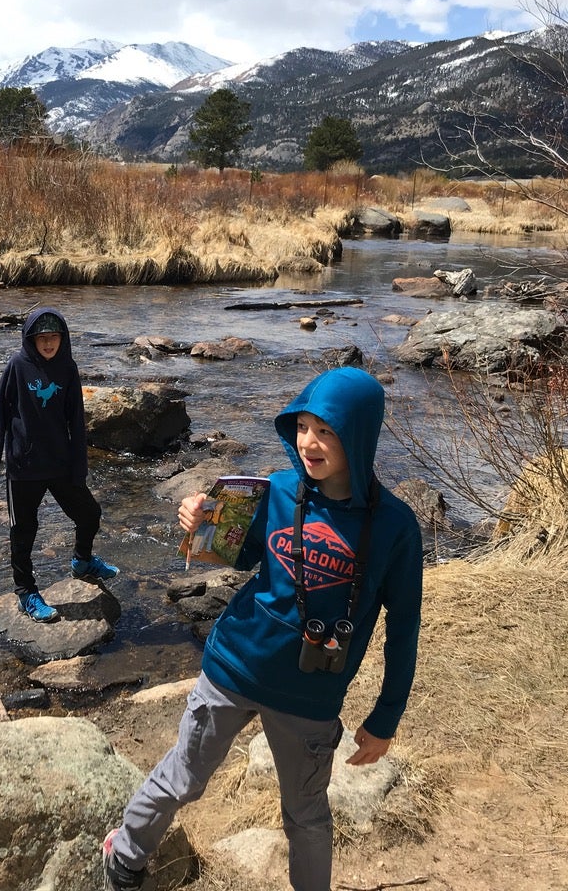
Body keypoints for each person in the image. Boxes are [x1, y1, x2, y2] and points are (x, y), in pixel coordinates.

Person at [102, 366, 423, 891]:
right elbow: (232, 551)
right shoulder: (274, 490)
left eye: (327, 431)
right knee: (184, 776)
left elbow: (404, 625)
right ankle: (127, 853)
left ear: (359, 436)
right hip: (233, 667)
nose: (309, 443)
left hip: (310, 697)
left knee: (307, 816)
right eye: (303, 426)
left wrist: (386, 716)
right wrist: (199, 519)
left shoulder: (395, 527)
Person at [0, 306, 120, 623]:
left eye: (53, 337)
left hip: (59, 463)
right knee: (23, 532)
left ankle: (82, 561)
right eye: (42, 338)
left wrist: (79, 466)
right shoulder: (17, 366)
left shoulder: (68, 368)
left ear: (63, 338)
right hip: (24, 466)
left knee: (89, 513)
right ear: (31, 339)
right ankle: (26, 592)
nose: (48, 344)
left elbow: (76, 420)